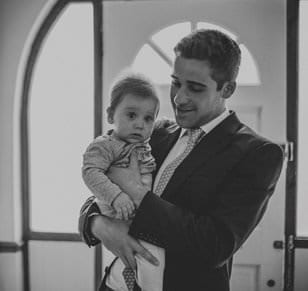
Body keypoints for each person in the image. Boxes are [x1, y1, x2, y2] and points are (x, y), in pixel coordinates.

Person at [78, 29, 284, 290]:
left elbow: (214, 246)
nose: (179, 97)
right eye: (176, 82)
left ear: (227, 88)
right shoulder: (153, 132)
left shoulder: (258, 154)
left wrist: (136, 192)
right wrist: (99, 225)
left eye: (195, 88)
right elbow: (96, 185)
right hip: (114, 285)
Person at [82, 73, 164, 291]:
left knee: (152, 264)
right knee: (146, 261)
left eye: (148, 118)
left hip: (142, 221)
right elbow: (90, 172)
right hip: (116, 213)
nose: (140, 124)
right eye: (131, 115)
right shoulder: (105, 145)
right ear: (110, 115)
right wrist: (116, 196)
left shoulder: (147, 147)